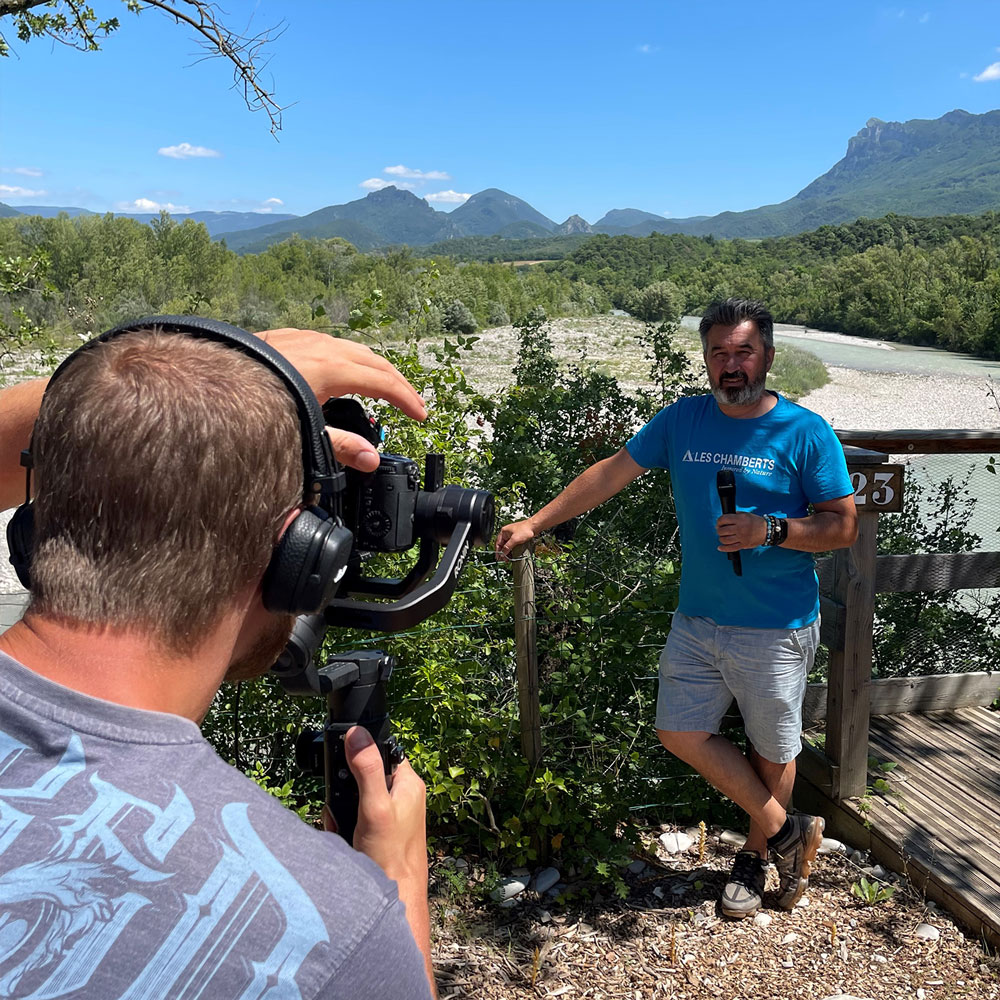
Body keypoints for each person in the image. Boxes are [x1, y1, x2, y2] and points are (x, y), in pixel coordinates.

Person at [0, 324, 436, 997]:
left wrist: (196, 380)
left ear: (34, 527)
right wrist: (399, 878)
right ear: (303, 560)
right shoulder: (328, 935)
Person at [496, 298, 857, 920]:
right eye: (719, 353)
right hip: (698, 619)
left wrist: (770, 530)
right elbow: (609, 474)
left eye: (744, 351)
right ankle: (788, 830)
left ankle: (754, 855)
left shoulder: (805, 432)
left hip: (775, 624)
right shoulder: (681, 422)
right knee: (678, 730)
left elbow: (842, 526)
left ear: (767, 355)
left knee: (773, 748)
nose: (732, 365)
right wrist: (536, 521)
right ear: (708, 360)